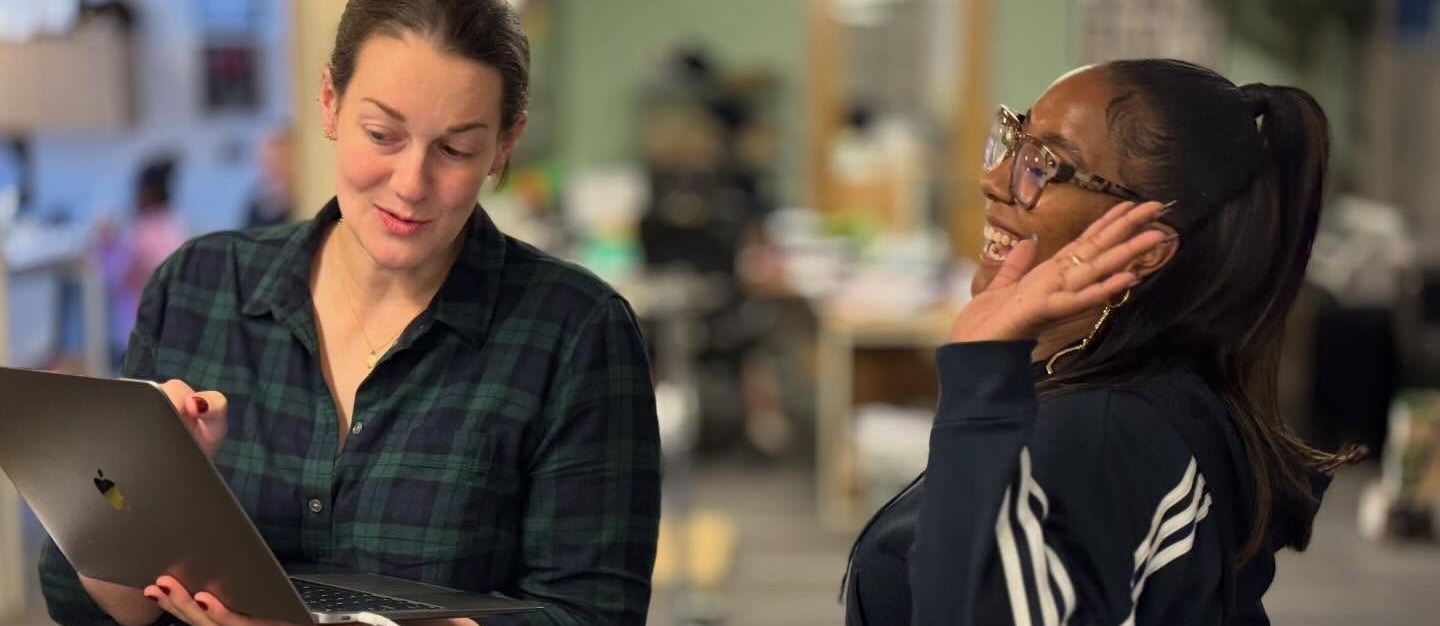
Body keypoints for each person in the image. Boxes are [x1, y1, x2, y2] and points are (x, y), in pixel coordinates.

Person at [40, 2, 662, 625]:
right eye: (382, 135)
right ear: (331, 102)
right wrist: (154, 489)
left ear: (504, 145)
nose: (412, 182)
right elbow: (85, 601)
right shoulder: (200, 288)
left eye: (455, 148)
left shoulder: (577, 332)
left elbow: (593, 613)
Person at [842, 59, 1361, 625]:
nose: (994, 181)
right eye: (1016, 141)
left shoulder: (1102, 437)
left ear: (1144, 248)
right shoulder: (1123, 391)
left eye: (1048, 163)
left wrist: (979, 365)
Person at [96, 155, 188, 364]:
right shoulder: (176, 226)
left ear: (145, 193)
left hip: (139, 330)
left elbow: (114, 277)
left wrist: (105, 244)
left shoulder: (140, 234)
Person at [244, 126, 295, 229]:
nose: (272, 166)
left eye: (278, 159)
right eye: (267, 160)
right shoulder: (257, 205)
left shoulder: (302, 196)